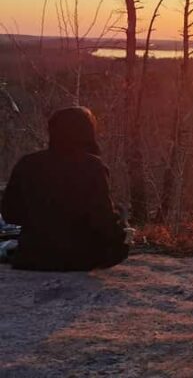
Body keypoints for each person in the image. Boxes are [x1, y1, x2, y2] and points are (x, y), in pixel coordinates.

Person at [1, 106, 130, 271]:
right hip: (79, 259)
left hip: (31, 257)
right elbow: (101, 220)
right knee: (120, 232)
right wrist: (121, 228)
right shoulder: (93, 167)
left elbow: (10, 214)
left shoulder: (27, 163)